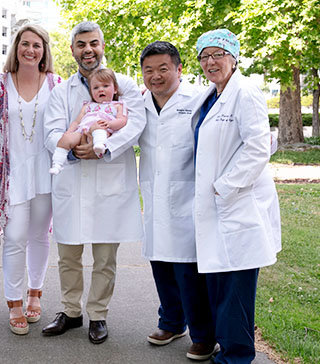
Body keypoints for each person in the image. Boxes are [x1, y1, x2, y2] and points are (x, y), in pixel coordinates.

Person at [42, 21, 146, 344]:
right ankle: (71, 311)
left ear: (102, 46)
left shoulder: (124, 84)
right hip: (72, 181)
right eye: (81, 44)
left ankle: (98, 314)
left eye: (94, 44)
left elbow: (136, 123)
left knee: (104, 258)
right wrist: (75, 153)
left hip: (109, 182)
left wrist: (104, 150)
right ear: (72, 49)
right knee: (68, 256)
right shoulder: (61, 91)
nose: (88, 50)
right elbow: (51, 132)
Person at [192, 29, 281, 364]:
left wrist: (224, 187)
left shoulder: (246, 92)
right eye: (204, 56)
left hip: (238, 204)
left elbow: (258, 149)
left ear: (233, 57)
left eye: (218, 54)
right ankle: (228, 349)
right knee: (221, 286)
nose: (210, 62)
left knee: (236, 290)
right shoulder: (212, 94)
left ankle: (238, 357)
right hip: (218, 207)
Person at [138, 41, 217, 361]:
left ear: (179, 69)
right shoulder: (139, 102)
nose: (155, 76)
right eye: (148, 70)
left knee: (189, 271)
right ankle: (171, 322)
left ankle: (204, 336)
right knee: (160, 263)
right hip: (155, 196)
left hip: (188, 197)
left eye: (163, 69)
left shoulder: (198, 99)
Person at [0, 24, 62, 335]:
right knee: (15, 236)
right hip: (12, 170)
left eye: (37, 45)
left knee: (40, 235)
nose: (31, 50)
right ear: (16, 47)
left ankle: (35, 291)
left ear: (44, 51)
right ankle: (13, 301)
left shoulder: (56, 84)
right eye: (25, 44)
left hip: (46, 171)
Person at [49, 68, 127, 174]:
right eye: (96, 88)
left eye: (105, 86)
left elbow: (122, 120)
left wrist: (109, 124)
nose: (100, 90)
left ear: (115, 89)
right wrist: (68, 133)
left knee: (98, 127)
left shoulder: (118, 105)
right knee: (65, 140)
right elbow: (77, 122)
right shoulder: (87, 106)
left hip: (103, 129)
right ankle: (57, 163)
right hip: (82, 131)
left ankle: (99, 144)